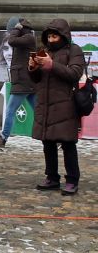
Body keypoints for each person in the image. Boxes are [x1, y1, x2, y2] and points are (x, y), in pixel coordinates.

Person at [28, 19, 85, 196]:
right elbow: (38, 80)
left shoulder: (73, 50)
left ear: (63, 36)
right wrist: (33, 69)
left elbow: (75, 73)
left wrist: (52, 65)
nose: (52, 40)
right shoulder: (45, 52)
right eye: (49, 36)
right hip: (46, 104)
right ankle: (52, 178)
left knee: (68, 143)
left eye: (55, 36)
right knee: (48, 143)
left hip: (65, 104)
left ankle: (72, 180)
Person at [0, 17, 37, 148]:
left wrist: (15, 30)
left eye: (11, 30)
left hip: (23, 82)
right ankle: (56, 137)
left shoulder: (28, 38)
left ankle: (3, 139)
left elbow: (12, 40)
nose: (10, 33)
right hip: (25, 81)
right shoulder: (25, 38)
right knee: (39, 111)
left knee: (10, 110)